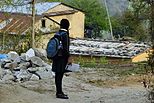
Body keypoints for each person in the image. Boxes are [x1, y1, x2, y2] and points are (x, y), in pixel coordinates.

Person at [52, 19, 71, 99]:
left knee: (57, 75)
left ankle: (58, 91)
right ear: (67, 25)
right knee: (60, 75)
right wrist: (69, 57)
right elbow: (66, 49)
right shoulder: (65, 34)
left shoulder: (57, 33)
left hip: (56, 57)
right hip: (62, 58)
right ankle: (59, 93)